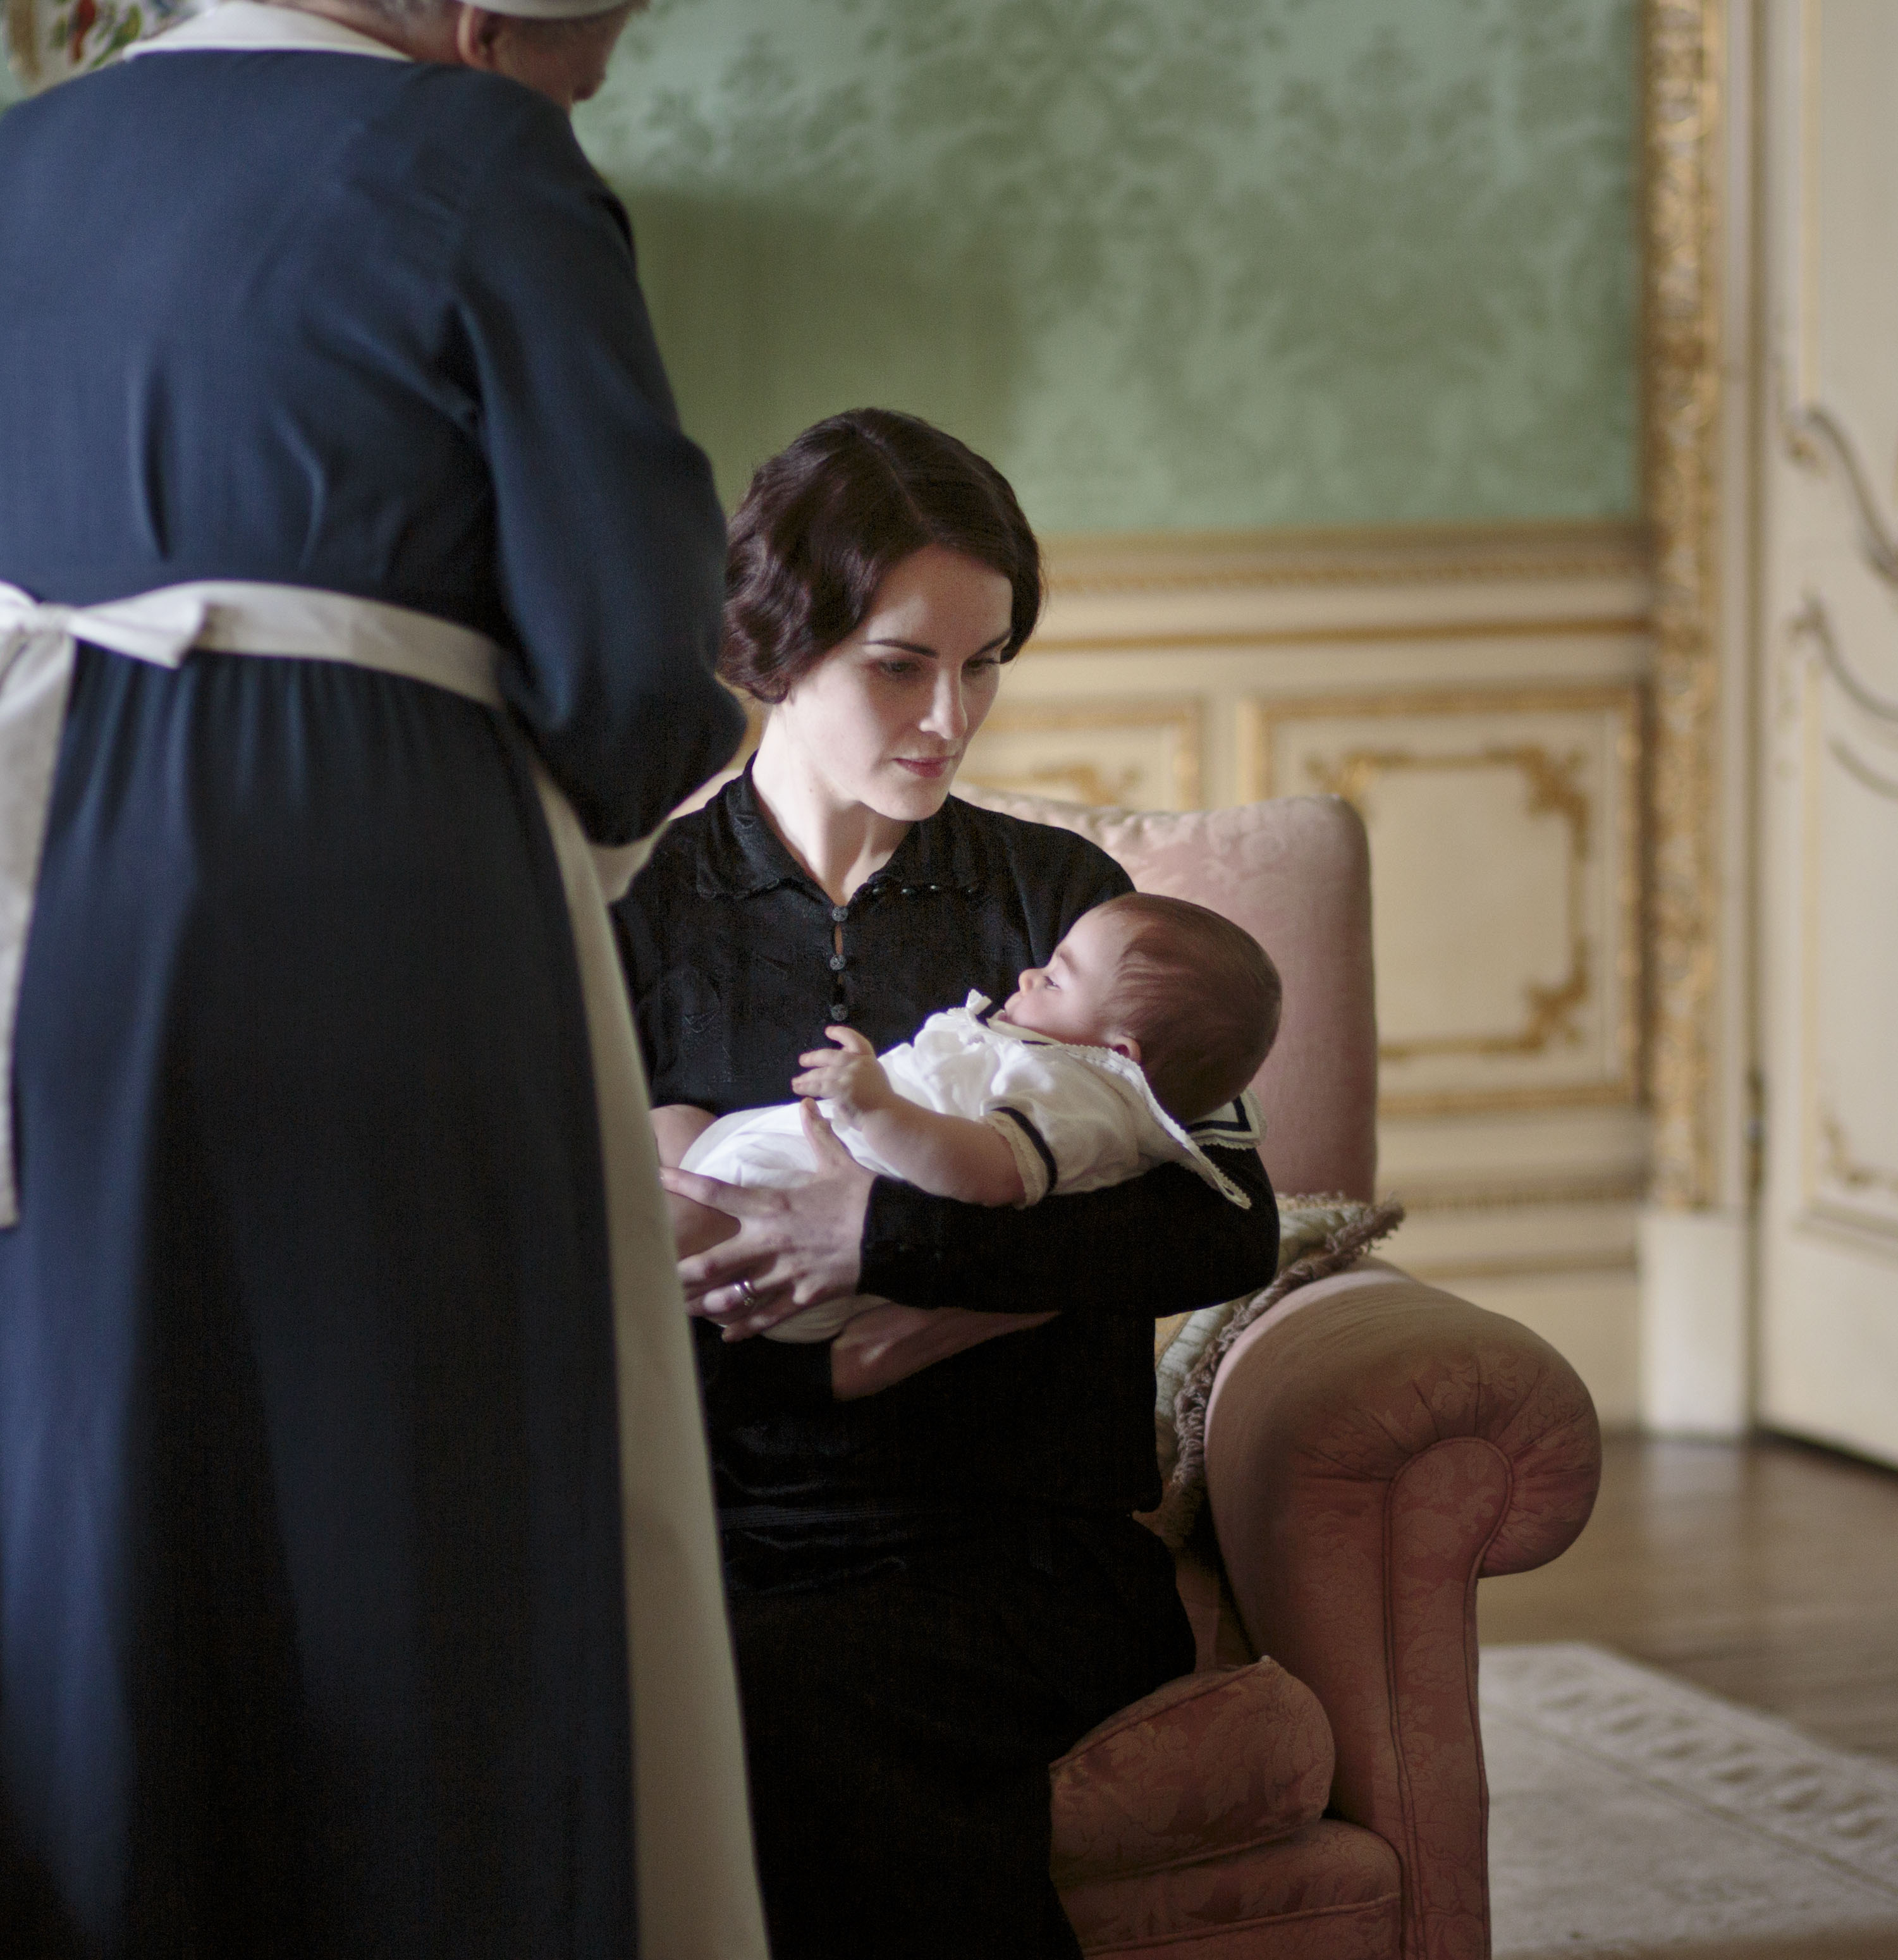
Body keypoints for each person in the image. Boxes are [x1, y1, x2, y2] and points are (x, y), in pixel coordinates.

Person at [0, 3, 768, 1956]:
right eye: (588, 43)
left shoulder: (7, 169)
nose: (590, 90)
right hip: (322, 881)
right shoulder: (480, 163)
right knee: (365, 1473)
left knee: (28, 1460)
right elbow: (632, 675)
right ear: (484, 13)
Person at [614, 408, 1284, 1957]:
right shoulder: (640, 909)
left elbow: (1222, 1216)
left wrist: (886, 1228)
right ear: (776, 648)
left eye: (985, 664)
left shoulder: (1061, 902)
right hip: (729, 1528)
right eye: (903, 664)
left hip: (1012, 1547)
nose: (952, 716)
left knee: (804, 1699)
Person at [671, 892, 1283, 1345]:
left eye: (1054, 978)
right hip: (786, 1153)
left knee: (657, 1227)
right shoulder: (1054, 1054)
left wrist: (878, 1109)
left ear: (1117, 1056)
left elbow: (984, 1169)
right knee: (661, 1130)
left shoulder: (1077, 1098)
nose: (1027, 974)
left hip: (813, 1205)